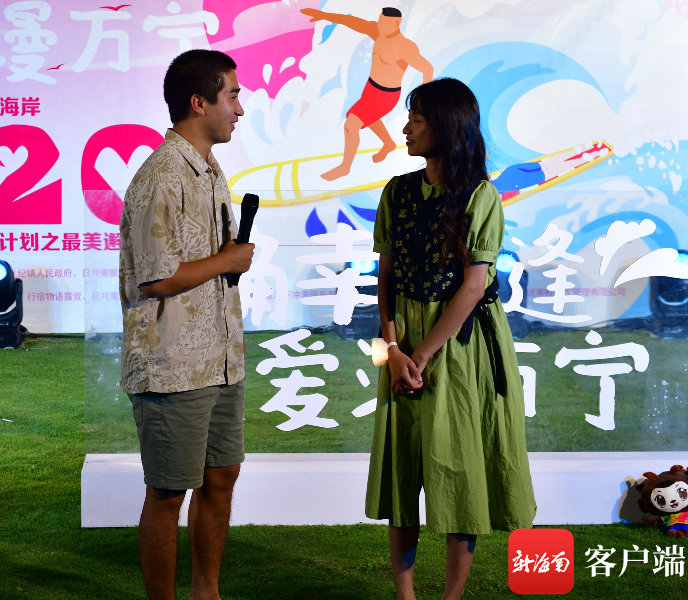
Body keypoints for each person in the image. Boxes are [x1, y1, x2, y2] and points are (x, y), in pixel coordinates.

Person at [365, 78, 537, 600]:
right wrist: (393, 350)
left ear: (446, 126)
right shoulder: (396, 191)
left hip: (461, 345)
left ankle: (450, 597)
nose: (405, 128)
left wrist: (419, 355)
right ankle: (405, 595)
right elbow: (386, 277)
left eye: (416, 119)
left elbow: (474, 285)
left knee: (460, 466)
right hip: (403, 344)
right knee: (403, 466)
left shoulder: (480, 196)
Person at [118, 49, 254, 600]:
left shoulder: (208, 168)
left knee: (221, 478)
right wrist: (227, 260)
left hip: (220, 359)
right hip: (172, 365)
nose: (239, 109)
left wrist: (226, 259)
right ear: (200, 102)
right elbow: (155, 278)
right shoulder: (161, 175)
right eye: (233, 96)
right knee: (169, 492)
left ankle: (206, 592)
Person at [300, 6, 433, 181]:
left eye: (385, 23)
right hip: (370, 89)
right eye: (380, 21)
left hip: (386, 96)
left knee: (351, 124)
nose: (380, 26)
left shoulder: (405, 47)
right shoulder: (378, 32)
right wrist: (324, 15)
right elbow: (351, 21)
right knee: (369, 118)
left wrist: (424, 100)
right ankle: (388, 143)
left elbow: (427, 68)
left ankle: (345, 167)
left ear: (396, 24)